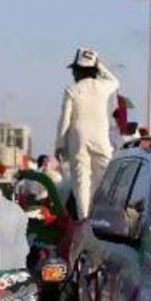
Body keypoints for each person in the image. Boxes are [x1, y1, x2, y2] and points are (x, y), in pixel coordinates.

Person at [55, 47, 120, 219]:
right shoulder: (103, 86)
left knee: (80, 179)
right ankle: (100, 213)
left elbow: (65, 120)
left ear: (77, 70)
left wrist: (60, 144)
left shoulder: (72, 89)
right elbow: (115, 81)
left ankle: (84, 218)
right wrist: (100, 65)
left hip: (78, 135)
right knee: (105, 173)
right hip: (99, 134)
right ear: (94, 69)